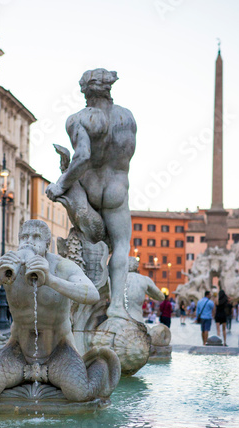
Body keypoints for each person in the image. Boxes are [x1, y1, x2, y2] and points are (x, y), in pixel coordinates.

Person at [0, 220, 119, 402]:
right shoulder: (8, 264)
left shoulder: (61, 267)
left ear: (47, 244)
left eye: (36, 238)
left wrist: (50, 279)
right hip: (19, 351)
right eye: (24, 237)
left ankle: (98, 365)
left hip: (58, 350)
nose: (29, 242)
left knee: (79, 393)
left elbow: (92, 294)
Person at [46, 68, 137, 321]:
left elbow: (83, 156)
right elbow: (127, 155)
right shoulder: (127, 118)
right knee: (120, 246)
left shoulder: (78, 119)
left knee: (84, 239)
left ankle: (81, 304)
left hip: (90, 187)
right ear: (109, 88)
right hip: (118, 188)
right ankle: (117, 305)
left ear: (84, 90)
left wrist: (61, 184)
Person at [125, 257, 165, 324]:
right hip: (136, 319)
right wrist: (147, 292)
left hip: (117, 319)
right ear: (136, 266)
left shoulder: (114, 279)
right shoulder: (145, 279)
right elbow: (161, 297)